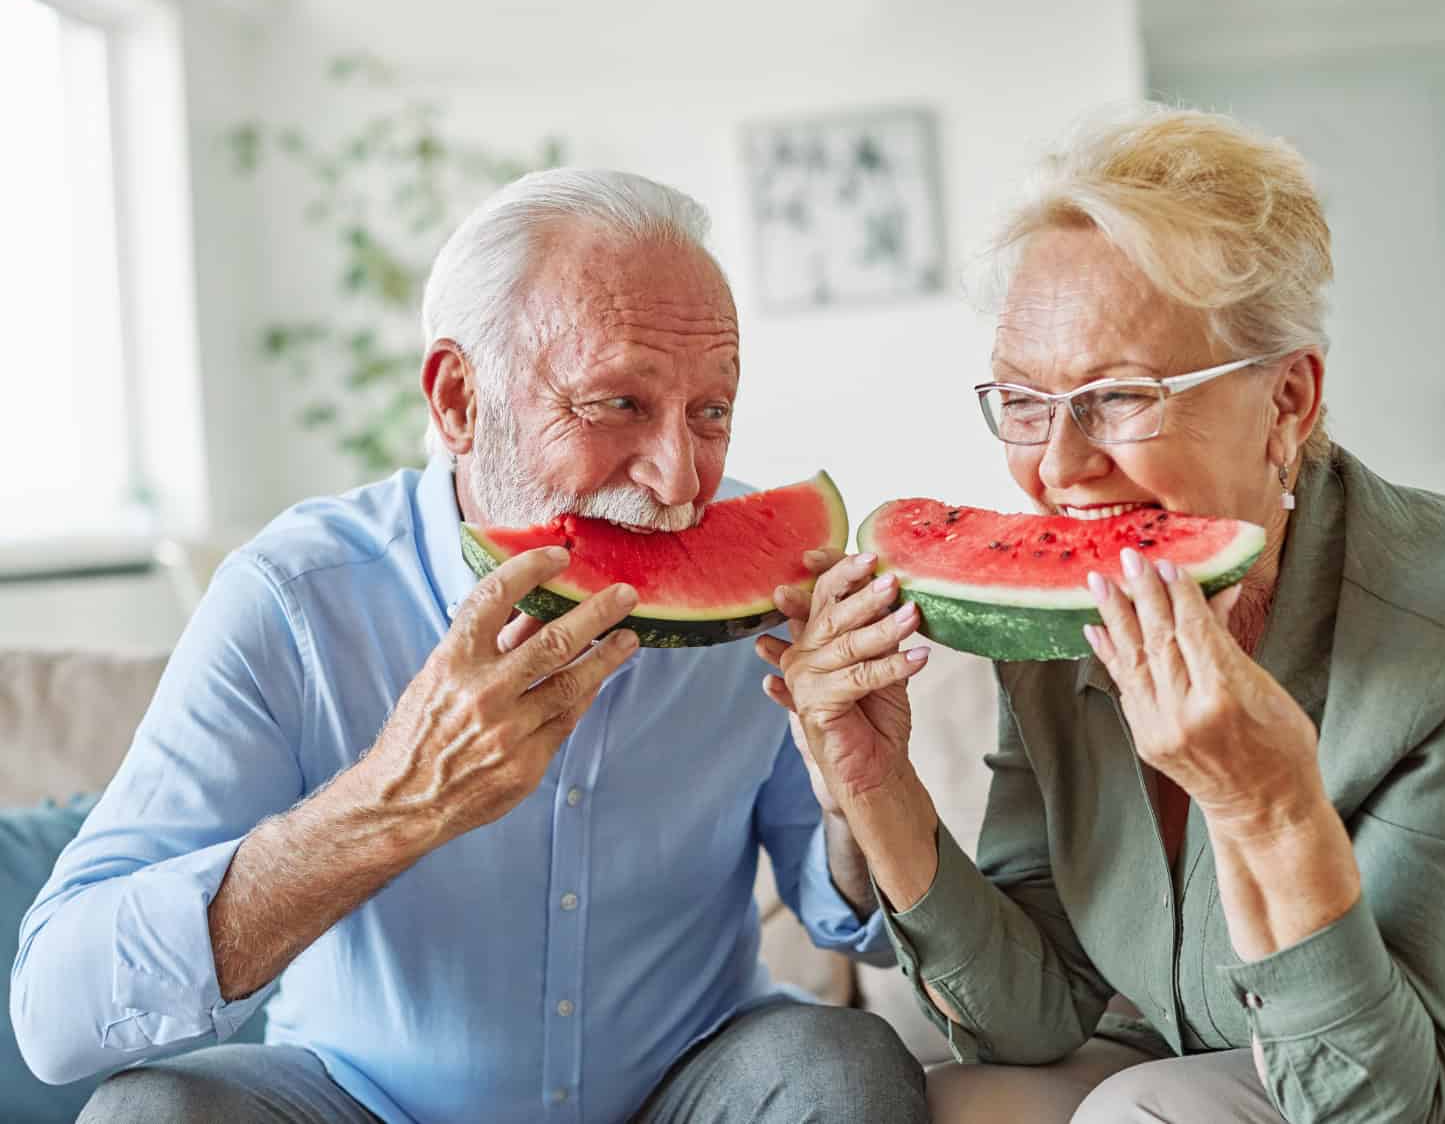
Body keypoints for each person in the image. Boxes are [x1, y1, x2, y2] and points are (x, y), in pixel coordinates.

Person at [12, 169, 928, 1124]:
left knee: (841, 1063)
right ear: (458, 399)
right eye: (617, 402)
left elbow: (846, 917)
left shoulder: (771, 589)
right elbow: (55, 1017)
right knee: (149, 1114)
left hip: (687, 1089)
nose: (681, 480)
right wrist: (393, 801)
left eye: (711, 412)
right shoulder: (292, 601)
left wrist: (857, 798)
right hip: (360, 1100)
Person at [763, 106, 1445, 1124]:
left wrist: (1267, 808)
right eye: (1022, 402)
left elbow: (1379, 1100)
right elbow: (1031, 1019)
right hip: (1191, 1053)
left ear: (1287, 402)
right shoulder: (1060, 619)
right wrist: (873, 782)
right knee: (937, 1107)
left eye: (1119, 396)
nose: (1061, 470)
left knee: (1144, 1112)